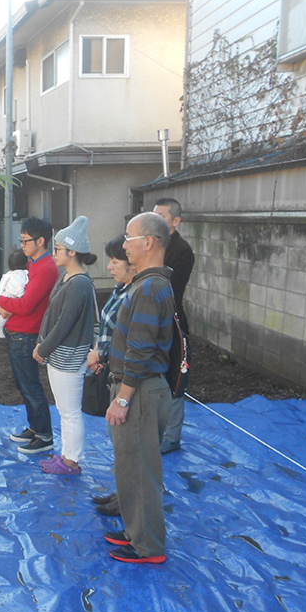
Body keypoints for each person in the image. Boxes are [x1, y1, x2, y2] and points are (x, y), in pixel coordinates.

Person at [103, 212, 175, 564]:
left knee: (142, 473)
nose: (125, 244)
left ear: (148, 242)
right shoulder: (147, 284)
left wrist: (122, 398)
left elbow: (141, 349)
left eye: (129, 238)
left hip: (141, 393)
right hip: (139, 391)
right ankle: (136, 530)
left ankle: (148, 546)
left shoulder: (149, 288)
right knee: (130, 466)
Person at [32, 216, 98, 474]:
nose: (55, 252)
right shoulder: (68, 278)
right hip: (59, 356)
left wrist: (42, 348)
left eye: (58, 249)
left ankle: (71, 461)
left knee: (70, 411)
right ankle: (66, 455)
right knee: (64, 409)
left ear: (72, 251)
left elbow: (64, 324)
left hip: (68, 357)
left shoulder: (80, 283)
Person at [0, 216, 59, 455]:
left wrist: (0, 300)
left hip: (26, 333)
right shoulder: (33, 263)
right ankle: (35, 426)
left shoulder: (45, 268)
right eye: (21, 240)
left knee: (31, 385)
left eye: (25, 240)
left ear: (40, 241)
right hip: (18, 332)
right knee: (24, 384)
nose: (22, 245)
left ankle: (44, 434)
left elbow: (26, 304)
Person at [85, 236, 137, 516]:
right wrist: (98, 353)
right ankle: (120, 493)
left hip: (124, 375)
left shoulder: (137, 295)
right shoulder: (120, 290)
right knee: (117, 440)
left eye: (116, 261)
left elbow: (132, 341)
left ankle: (126, 501)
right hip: (109, 369)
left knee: (127, 444)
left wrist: (101, 356)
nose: (110, 267)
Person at [154, 198, 194, 454]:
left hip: (171, 322)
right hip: (151, 319)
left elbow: (170, 291)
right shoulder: (152, 243)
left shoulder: (181, 251)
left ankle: (171, 436)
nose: (156, 220)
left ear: (176, 221)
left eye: (161, 216)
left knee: (175, 380)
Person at [0, 250, 30, 338]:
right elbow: (20, 287)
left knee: (5, 314)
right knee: (6, 314)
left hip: (6, 295)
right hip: (10, 296)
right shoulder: (21, 274)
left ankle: (0, 321)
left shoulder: (9, 274)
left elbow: (1, 286)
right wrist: (22, 295)